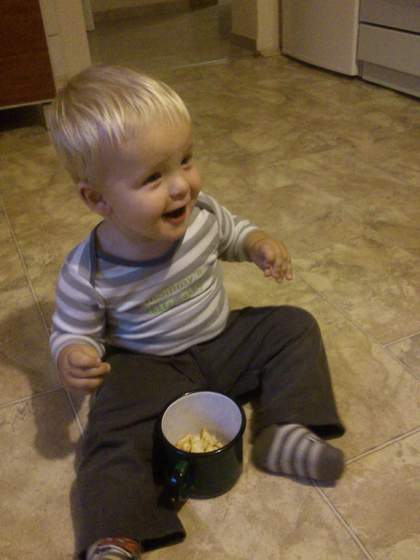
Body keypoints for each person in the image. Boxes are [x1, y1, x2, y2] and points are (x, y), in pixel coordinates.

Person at [48, 64, 345, 560]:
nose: (181, 186)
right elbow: (71, 330)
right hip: (149, 366)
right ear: (98, 199)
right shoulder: (88, 269)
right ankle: (117, 529)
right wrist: (73, 354)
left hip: (222, 340)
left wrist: (258, 243)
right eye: (153, 177)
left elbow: (234, 233)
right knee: (111, 428)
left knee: (294, 326)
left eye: (185, 160)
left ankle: (284, 431)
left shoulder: (202, 216)